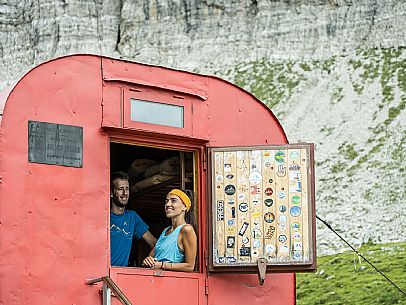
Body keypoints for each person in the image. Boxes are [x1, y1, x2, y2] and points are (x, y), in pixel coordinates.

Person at [142, 189, 197, 272]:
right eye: (166, 201)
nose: (168, 204)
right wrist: (148, 261)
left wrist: (162, 265)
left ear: (184, 207)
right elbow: (150, 258)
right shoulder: (165, 230)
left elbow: (190, 266)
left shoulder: (186, 230)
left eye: (173, 201)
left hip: (171, 282)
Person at [110, 171, 156, 266]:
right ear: (111, 193)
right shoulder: (103, 216)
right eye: (120, 189)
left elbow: (155, 244)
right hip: (101, 274)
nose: (125, 193)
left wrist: (149, 259)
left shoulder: (132, 217)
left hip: (120, 275)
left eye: (127, 189)